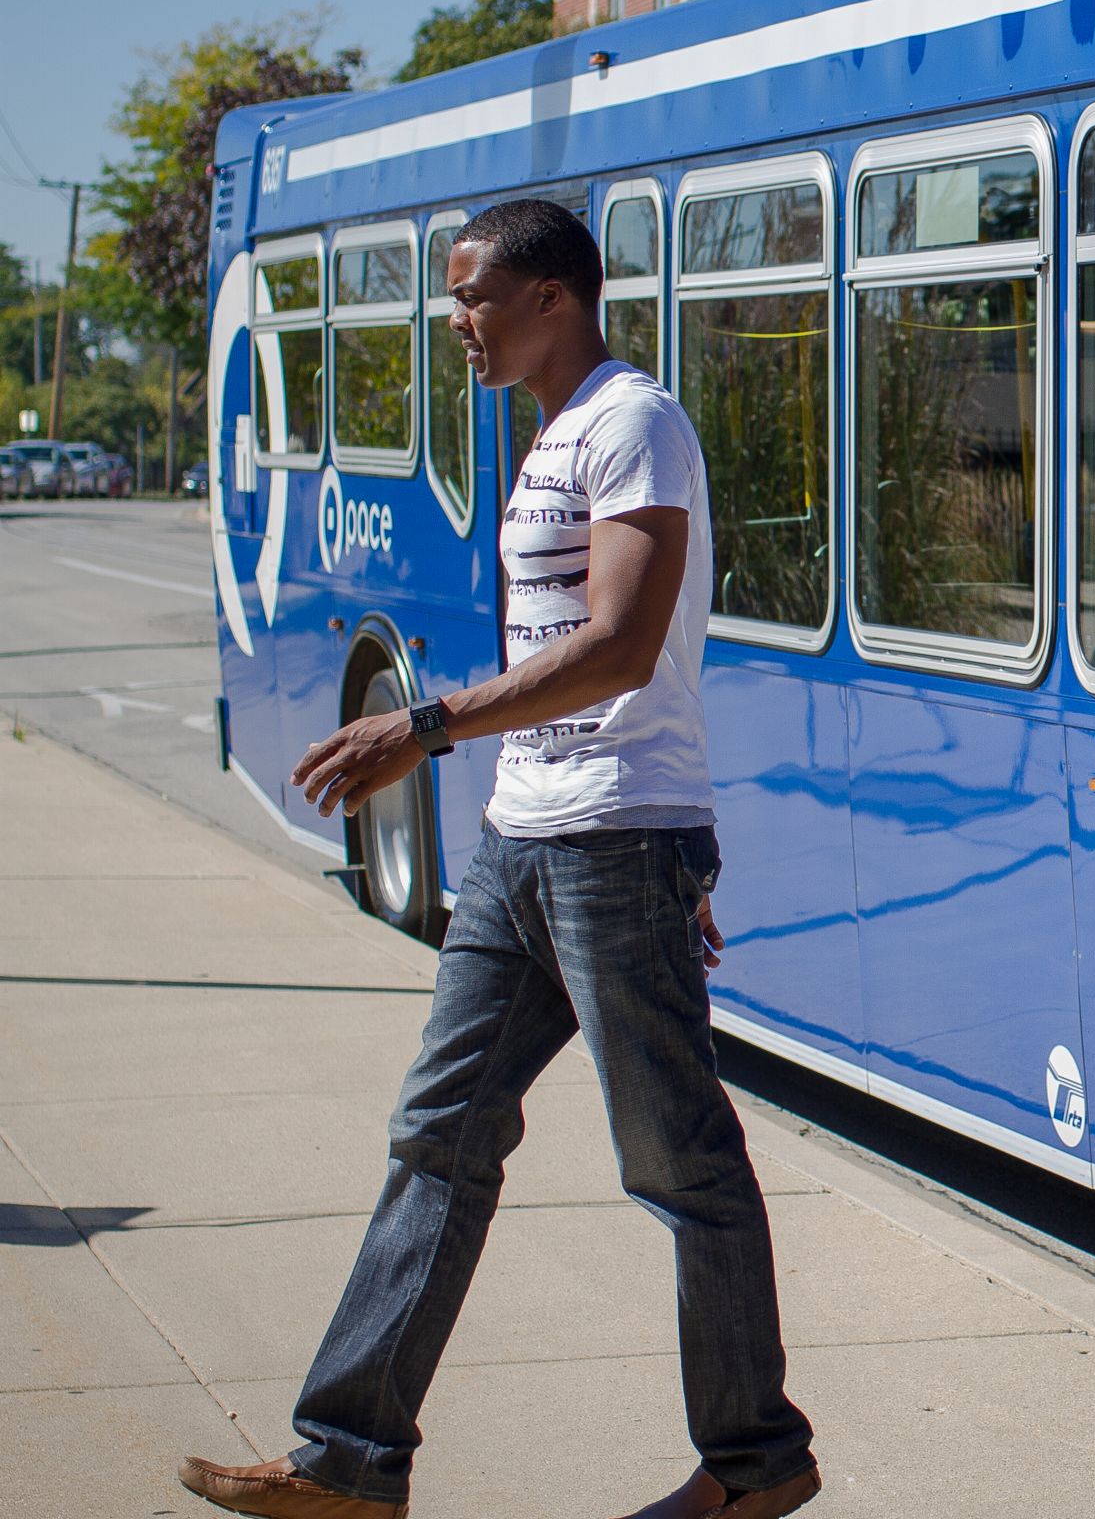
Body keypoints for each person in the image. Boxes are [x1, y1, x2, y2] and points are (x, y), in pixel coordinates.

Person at [176, 201, 818, 1519]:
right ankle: (350, 1462)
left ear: (552, 298)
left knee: (677, 1161)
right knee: (439, 1138)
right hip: (530, 840)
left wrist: (425, 725)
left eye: (472, 296)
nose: (455, 321)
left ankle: (756, 1463)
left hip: (613, 836)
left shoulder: (633, 423)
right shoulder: (552, 439)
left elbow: (624, 649)